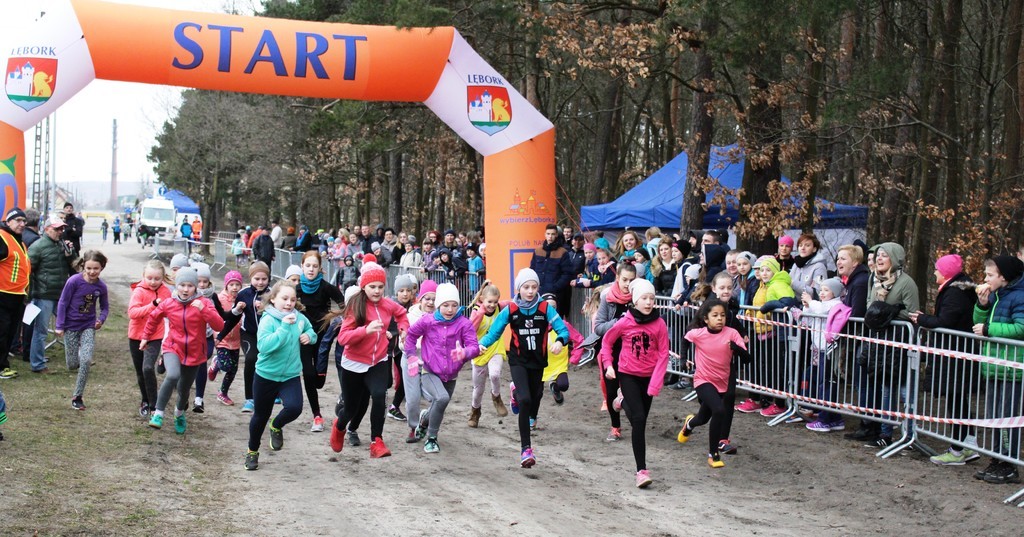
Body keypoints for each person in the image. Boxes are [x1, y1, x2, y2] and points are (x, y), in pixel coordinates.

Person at [478, 268, 570, 468]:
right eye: (526, 287)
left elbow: (563, 330)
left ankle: (515, 392)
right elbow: (494, 332)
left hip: (538, 361)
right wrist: (481, 344)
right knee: (526, 400)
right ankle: (526, 449)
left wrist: (560, 341)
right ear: (518, 289)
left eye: (534, 287)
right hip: (518, 360)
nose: (530, 291)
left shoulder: (545, 308)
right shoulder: (511, 309)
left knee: (535, 397)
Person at [329, 262, 410, 458]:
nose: (377, 291)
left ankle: (377, 441)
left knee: (379, 395)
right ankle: (340, 426)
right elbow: (343, 338)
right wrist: (365, 330)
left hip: (378, 360)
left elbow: (401, 314)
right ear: (363, 286)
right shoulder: (356, 306)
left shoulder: (388, 304)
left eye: (380, 287)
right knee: (351, 408)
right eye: (372, 286)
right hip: (354, 363)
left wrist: (403, 329)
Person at [908, 254, 980, 465]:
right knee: (958, 400)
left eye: (937, 269)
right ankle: (967, 444)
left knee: (956, 401)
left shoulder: (955, 293)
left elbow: (945, 321)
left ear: (947, 272)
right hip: (956, 353)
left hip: (955, 355)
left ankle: (958, 449)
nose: (934, 272)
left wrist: (921, 319)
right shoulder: (957, 290)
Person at [598, 278, 670, 487]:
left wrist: (655, 383)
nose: (648, 302)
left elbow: (664, 354)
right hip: (627, 374)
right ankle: (642, 471)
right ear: (635, 301)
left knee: (641, 420)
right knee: (638, 419)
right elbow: (606, 342)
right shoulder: (624, 322)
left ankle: (621, 401)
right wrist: (608, 365)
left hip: (649, 377)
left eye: (651, 298)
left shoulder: (659, 324)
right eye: (644, 298)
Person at [141, 267, 225, 434]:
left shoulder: (204, 303)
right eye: (182, 285)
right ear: (176, 285)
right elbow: (153, 318)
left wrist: (203, 310)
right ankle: (158, 414)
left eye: (190, 286)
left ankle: (179, 414)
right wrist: (146, 337)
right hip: (173, 347)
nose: (186, 289)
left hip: (195, 352)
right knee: (173, 375)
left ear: (196, 287)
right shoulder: (169, 303)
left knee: (184, 389)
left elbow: (219, 325)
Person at [244, 281, 317, 471]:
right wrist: (284, 327)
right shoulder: (268, 320)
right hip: (266, 375)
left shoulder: (299, 318)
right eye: (284, 298)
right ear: (273, 299)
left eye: (292, 299)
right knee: (260, 416)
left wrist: (309, 336)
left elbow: (311, 331)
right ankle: (252, 451)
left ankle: (276, 425)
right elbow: (264, 347)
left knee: (294, 408)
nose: (289, 303)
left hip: (290, 375)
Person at [403, 283, 479, 453]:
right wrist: (411, 355)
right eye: (445, 305)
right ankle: (431, 439)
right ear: (438, 305)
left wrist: (464, 352)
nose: (450, 309)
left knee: (440, 404)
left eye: (454, 305)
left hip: (451, 374)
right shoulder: (428, 320)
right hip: (430, 371)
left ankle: (424, 420)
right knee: (442, 398)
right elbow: (411, 336)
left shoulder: (464, 324)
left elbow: (474, 347)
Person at [677, 297, 749, 470]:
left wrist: (736, 348)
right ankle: (713, 454)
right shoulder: (699, 333)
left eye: (722, 315)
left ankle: (689, 424)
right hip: (703, 380)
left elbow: (747, 359)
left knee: (703, 418)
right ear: (706, 319)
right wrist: (683, 359)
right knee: (719, 410)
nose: (719, 319)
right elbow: (685, 340)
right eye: (715, 315)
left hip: (722, 382)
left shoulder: (732, 333)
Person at [971, 255, 1024, 484]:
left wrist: (989, 329)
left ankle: (1009, 464)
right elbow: (978, 324)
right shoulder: (995, 295)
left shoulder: (1020, 296)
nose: (985, 279)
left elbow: (1021, 328)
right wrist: (982, 305)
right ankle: (996, 459)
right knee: (993, 416)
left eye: (990, 275)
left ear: (1004, 277)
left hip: (1012, 369)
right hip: (993, 365)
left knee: (1007, 418)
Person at [295, 251, 344, 432]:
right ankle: (317, 416)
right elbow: (280, 303)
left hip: (322, 337)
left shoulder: (326, 287)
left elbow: (344, 304)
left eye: (315, 266)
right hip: (304, 337)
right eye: (307, 265)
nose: (311, 269)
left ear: (320, 268)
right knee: (308, 374)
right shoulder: (296, 289)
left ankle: (332, 391)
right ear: (302, 266)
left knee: (319, 381)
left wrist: (336, 320)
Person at [56, 251, 109, 410]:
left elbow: (105, 307)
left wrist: (100, 320)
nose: (92, 272)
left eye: (96, 268)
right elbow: (63, 302)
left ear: (102, 267)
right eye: (89, 268)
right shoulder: (74, 281)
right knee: (72, 364)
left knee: (86, 360)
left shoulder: (101, 287)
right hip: (71, 326)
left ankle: (77, 396)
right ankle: (78, 356)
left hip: (88, 326)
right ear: (83, 266)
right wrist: (59, 325)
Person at [593, 264, 638, 441]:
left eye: (631, 280)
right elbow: (598, 327)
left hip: (633, 351)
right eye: (624, 279)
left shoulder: (639, 297)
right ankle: (615, 427)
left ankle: (636, 421)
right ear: (617, 278)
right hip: (611, 350)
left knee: (633, 390)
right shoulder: (608, 297)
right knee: (611, 390)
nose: (627, 284)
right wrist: (618, 323)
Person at [798, 277, 848, 432]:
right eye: (821, 290)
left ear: (835, 292)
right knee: (822, 382)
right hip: (819, 349)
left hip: (829, 350)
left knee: (825, 385)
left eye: (826, 290)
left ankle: (825, 419)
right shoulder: (820, 305)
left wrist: (810, 301)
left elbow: (820, 310)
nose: (822, 293)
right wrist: (807, 306)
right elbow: (808, 321)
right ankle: (834, 418)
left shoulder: (835, 305)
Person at [26, 216, 72, 374]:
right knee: (41, 331)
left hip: (60, 294)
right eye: (57, 229)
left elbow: (74, 265)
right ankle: (37, 364)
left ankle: (75, 359)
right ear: (46, 229)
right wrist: (29, 294)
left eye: (62, 228)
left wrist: (71, 252)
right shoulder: (37, 246)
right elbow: (27, 271)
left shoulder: (62, 245)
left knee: (70, 326)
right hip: (43, 295)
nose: (60, 231)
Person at [225, 261, 272, 413]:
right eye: (257, 279)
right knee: (251, 359)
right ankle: (249, 399)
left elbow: (282, 312)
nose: (260, 282)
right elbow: (233, 316)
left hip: (269, 335)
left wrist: (266, 307)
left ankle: (273, 393)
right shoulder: (243, 294)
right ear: (251, 278)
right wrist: (222, 334)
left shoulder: (273, 293)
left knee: (269, 361)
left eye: (264, 279)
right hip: (249, 334)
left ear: (269, 279)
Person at [128, 260, 172, 417]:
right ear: (143, 276)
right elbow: (132, 313)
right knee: (141, 372)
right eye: (150, 278)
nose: (153, 282)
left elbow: (171, 312)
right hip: (136, 335)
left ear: (163, 278)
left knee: (147, 368)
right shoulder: (139, 291)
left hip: (155, 335)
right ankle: (145, 400)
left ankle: (155, 406)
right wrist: (152, 305)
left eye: (157, 279)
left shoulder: (166, 292)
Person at [467, 284, 509, 427]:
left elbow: (514, 304)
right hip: (479, 352)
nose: (492, 305)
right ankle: (475, 412)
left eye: (495, 302)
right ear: (482, 299)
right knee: (478, 390)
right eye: (489, 302)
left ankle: (496, 397)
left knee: (495, 374)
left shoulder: (500, 307)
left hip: (496, 348)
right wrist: (480, 313)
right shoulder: (476, 312)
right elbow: (471, 330)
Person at [539, 293, 584, 423]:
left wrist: (574, 358)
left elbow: (579, 340)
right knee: (536, 394)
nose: (551, 310)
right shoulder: (536, 325)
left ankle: (556, 388)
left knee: (564, 385)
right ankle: (532, 418)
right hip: (540, 365)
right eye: (548, 307)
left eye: (554, 307)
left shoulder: (563, 325)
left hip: (558, 365)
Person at [402, 280, 438, 442]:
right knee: (413, 399)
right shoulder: (410, 317)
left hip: (431, 362)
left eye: (434, 299)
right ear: (420, 299)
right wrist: (413, 346)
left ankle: (425, 419)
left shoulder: (440, 317)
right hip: (410, 359)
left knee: (437, 397)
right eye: (427, 298)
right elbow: (402, 343)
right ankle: (413, 427)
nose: (430, 302)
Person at [0, 208, 31, 379]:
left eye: (24, 221)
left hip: (17, 295)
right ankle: (1, 367)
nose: (22, 224)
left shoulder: (20, 242)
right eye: (18, 220)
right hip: (3, 294)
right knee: (2, 332)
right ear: (8, 221)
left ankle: (4, 364)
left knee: (11, 332)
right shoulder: (2, 237)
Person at [209, 270, 246, 406]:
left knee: (233, 370)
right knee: (226, 366)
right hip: (222, 338)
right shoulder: (220, 298)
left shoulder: (242, 299)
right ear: (226, 285)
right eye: (231, 285)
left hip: (236, 340)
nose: (235, 288)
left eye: (237, 285)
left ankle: (223, 393)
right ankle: (216, 362)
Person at [386, 275, 418, 422]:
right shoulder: (389, 306)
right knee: (386, 382)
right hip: (386, 348)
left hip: (402, 349)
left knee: (408, 377)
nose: (405, 294)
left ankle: (394, 407)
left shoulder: (414, 309)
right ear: (396, 292)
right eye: (401, 291)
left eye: (408, 290)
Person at [530, 224, 575, 318]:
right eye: (548, 234)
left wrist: (555, 287)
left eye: (553, 234)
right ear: (545, 234)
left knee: (554, 319)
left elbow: (567, 273)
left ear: (556, 235)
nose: (550, 236)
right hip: (538, 292)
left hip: (555, 294)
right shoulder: (538, 251)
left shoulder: (563, 252)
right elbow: (532, 269)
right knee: (538, 319)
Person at [789, 233, 828, 297]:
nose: (803, 248)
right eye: (800, 245)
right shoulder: (796, 265)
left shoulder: (819, 266)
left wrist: (792, 283)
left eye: (807, 245)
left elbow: (818, 293)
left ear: (814, 249)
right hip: (790, 300)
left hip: (809, 303)